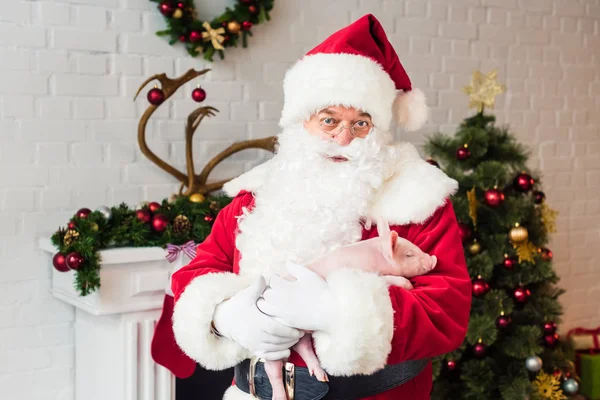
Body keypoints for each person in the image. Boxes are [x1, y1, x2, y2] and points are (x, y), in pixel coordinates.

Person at [170, 14, 472, 400]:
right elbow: (199, 271)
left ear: (378, 129)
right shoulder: (256, 194)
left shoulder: (416, 198)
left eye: (361, 124)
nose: (343, 138)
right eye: (329, 120)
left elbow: (445, 310)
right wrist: (224, 314)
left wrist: (338, 311)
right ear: (302, 122)